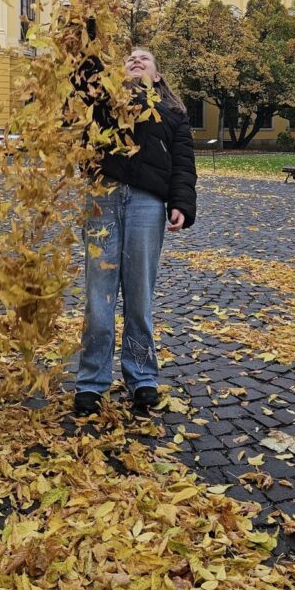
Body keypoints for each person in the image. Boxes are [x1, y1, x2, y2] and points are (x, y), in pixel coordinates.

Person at [73, 46, 197, 414]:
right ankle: (91, 382)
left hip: (147, 203)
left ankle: (142, 377)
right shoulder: (104, 103)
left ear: (157, 76)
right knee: (98, 295)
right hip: (102, 198)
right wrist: (88, 32)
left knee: (139, 296)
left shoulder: (173, 114)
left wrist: (181, 203)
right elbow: (81, 82)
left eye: (144, 59)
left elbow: (183, 164)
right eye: (130, 58)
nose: (136, 60)